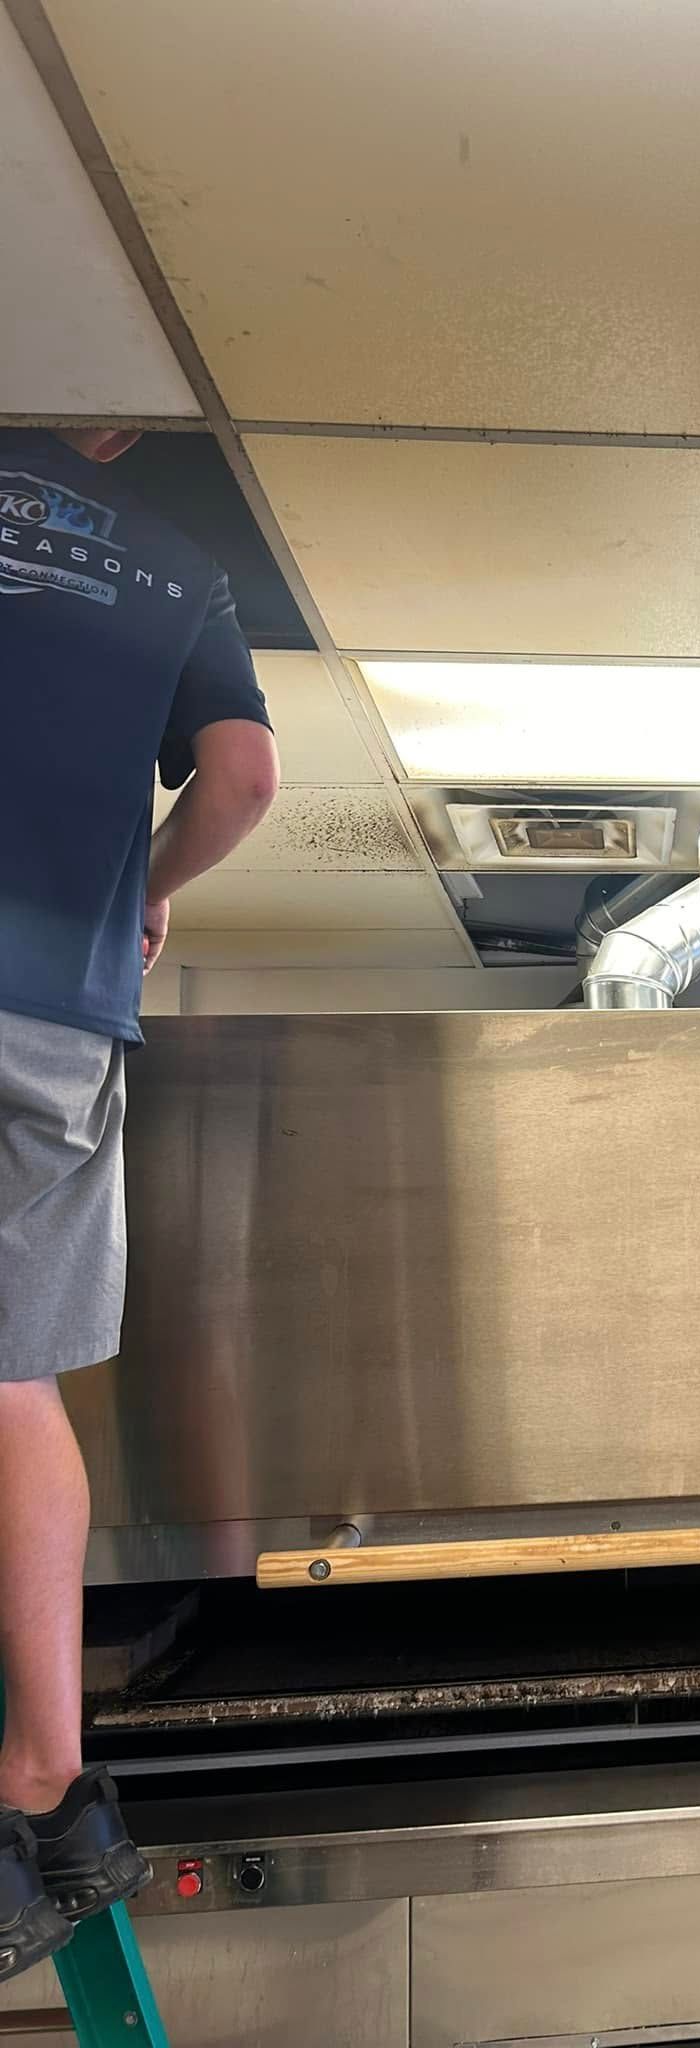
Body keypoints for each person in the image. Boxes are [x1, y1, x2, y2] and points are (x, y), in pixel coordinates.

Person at [0, 426, 279, 1979]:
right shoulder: (177, 562)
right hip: (55, 1009)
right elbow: (242, 775)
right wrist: (150, 885)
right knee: (11, 1384)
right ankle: (47, 1773)